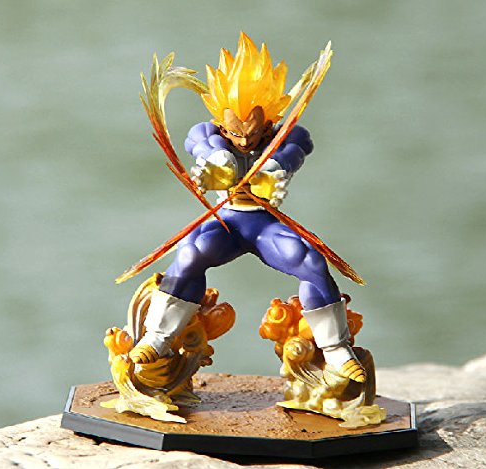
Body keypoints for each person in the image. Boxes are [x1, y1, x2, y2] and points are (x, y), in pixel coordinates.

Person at [130, 33, 365, 383]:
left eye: (251, 133)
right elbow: (197, 140)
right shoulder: (210, 134)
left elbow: (299, 143)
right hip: (227, 221)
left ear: (267, 122)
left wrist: (276, 166)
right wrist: (216, 159)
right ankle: (158, 337)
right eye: (234, 132)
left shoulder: (282, 137)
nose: (242, 140)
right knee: (191, 254)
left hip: (264, 224)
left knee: (311, 261)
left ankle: (335, 349)